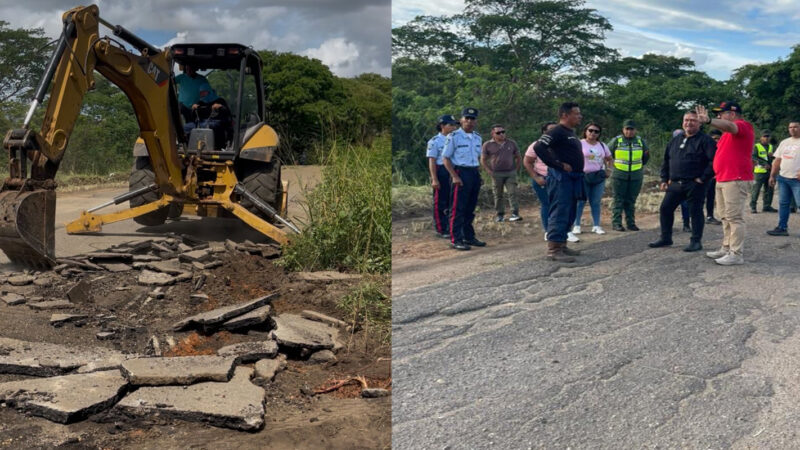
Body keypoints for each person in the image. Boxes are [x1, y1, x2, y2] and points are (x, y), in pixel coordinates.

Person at [649, 110, 717, 252]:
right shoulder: (675, 140)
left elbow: (714, 162)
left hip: (695, 184)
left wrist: (702, 178)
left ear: (699, 123)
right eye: (686, 120)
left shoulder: (706, 141)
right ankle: (666, 238)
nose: (689, 123)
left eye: (693, 120)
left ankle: (696, 241)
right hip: (675, 183)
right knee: (665, 208)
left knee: (695, 212)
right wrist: (664, 178)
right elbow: (667, 160)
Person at [697, 101, 755, 265]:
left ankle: (736, 254)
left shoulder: (743, 126)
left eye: (721, 113)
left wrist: (709, 121)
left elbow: (731, 126)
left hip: (735, 179)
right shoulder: (726, 135)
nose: (719, 116)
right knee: (725, 216)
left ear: (732, 114)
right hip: (723, 178)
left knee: (734, 218)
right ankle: (727, 247)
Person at [533, 102, 584, 262]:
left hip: (574, 178)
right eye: (576, 114)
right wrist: (558, 164)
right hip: (560, 178)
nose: (580, 116)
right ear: (564, 115)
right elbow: (539, 147)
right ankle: (553, 250)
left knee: (569, 212)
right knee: (560, 211)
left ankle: (562, 245)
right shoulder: (556, 131)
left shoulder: (570, 132)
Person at [443, 107, 485, 251]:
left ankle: (469, 236)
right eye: (467, 118)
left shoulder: (477, 137)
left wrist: (479, 175)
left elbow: (477, 157)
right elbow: (446, 158)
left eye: (472, 119)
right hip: (460, 172)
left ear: (476, 121)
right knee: (457, 208)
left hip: (473, 172)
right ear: (461, 120)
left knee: (470, 208)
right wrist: (454, 176)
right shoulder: (454, 136)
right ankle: (456, 239)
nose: (469, 121)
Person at [608, 119, 649, 231]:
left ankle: (631, 223)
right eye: (627, 129)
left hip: (636, 176)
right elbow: (607, 154)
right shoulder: (616, 141)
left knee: (631, 200)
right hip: (619, 175)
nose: (629, 131)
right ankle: (616, 223)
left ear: (635, 130)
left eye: (632, 129)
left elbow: (646, 156)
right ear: (623, 129)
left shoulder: (640, 141)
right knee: (618, 200)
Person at [573, 122, 612, 237]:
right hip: (583, 176)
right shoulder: (579, 144)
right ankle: (576, 225)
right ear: (585, 131)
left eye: (596, 131)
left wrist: (609, 170)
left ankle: (596, 225)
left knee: (595, 201)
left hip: (598, 176)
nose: (593, 133)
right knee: (580, 201)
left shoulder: (602, 145)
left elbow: (610, 159)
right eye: (590, 130)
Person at [427, 115, 460, 238]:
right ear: (442, 126)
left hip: (455, 170)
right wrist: (434, 178)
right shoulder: (434, 141)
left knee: (453, 200)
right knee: (440, 201)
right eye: (451, 125)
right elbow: (432, 161)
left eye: (455, 125)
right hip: (441, 171)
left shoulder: (456, 139)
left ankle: (452, 227)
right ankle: (441, 229)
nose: (454, 127)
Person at [766, 121, 800, 236]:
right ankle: (782, 228)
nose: (792, 129)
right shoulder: (785, 142)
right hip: (783, 178)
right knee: (783, 204)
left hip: (797, 180)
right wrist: (772, 175)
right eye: (790, 127)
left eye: (795, 127)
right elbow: (777, 160)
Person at [524, 122, 557, 241]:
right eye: (551, 129)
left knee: (560, 205)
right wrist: (536, 177)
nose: (554, 132)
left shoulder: (562, 144)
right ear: (544, 132)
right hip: (543, 178)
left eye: (556, 129)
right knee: (547, 204)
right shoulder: (536, 145)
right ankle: (548, 230)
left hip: (559, 179)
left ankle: (562, 230)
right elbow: (527, 162)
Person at [481, 125, 522, 222]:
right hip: (496, 173)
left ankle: (515, 213)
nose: (501, 134)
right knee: (498, 194)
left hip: (510, 172)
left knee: (512, 192)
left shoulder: (511, 143)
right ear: (493, 134)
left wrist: (516, 169)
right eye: (498, 133)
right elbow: (483, 159)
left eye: (503, 132)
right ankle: (500, 215)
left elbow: (518, 157)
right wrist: (489, 171)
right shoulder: (487, 144)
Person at [750, 130, 777, 213]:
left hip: (770, 171)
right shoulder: (756, 146)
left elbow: (776, 157)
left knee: (769, 189)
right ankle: (753, 206)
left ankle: (767, 206)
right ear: (761, 137)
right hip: (759, 171)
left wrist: (773, 156)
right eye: (765, 136)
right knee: (756, 190)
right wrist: (764, 163)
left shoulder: (772, 147)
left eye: (768, 136)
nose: (766, 138)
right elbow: (753, 157)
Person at [706, 129, 723, 225]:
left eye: (718, 138)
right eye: (714, 138)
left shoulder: (722, 148)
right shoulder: (705, 148)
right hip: (707, 176)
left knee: (711, 196)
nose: (716, 140)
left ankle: (710, 216)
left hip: (719, 176)